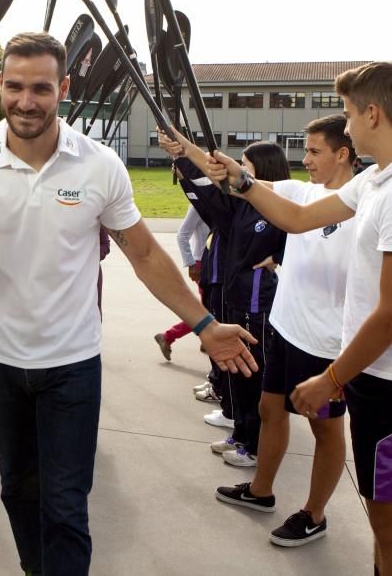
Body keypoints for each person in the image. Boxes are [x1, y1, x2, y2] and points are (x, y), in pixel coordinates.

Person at [0, 32, 258, 575]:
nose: (25, 101)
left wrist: (203, 324)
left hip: (72, 364)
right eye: (14, 86)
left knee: (64, 505)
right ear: (0, 85)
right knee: (18, 493)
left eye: (40, 87)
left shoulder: (98, 164)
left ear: (64, 87)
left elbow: (144, 252)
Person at [205, 62, 392, 576]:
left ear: (372, 114)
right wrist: (241, 179)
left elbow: (390, 314)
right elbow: (300, 217)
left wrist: (331, 377)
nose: (347, 124)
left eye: (351, 115)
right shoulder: (375, 182)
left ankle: (318, 516)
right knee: (381, 514)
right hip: (361, 372)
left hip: (378, 380)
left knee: (387, 518)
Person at [210, 115, 355, 547]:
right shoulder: (302, 191)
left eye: (314, 151)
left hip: (328, 343)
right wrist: (191, 152)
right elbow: (248, 183)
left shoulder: (362, 201)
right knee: (271, 410)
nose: (304, 158)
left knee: (326, 430)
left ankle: (315, 514)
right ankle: (261, 491)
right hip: (285, 329)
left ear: (342, 153)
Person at [161, 135, 288, 466]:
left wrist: (278, 254)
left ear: (263, 169)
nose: (239, 170)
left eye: (245, 165)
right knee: (238, 374)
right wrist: (184, 160)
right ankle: (242, 434)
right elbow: (207, 196)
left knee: (252, 375)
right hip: (233, 296)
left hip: (256, 304)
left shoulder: (280, 203)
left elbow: (305, 232)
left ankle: (255, 445)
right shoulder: (241, 205)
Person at [154, 204, 209, 361]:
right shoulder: (198, 205)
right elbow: (182, 235)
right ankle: (168, 336)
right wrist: (191, 263)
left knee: (211, 307)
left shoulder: (220, 199)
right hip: (202, 264)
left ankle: (206, 340)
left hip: (217, 262)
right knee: (209, 310)